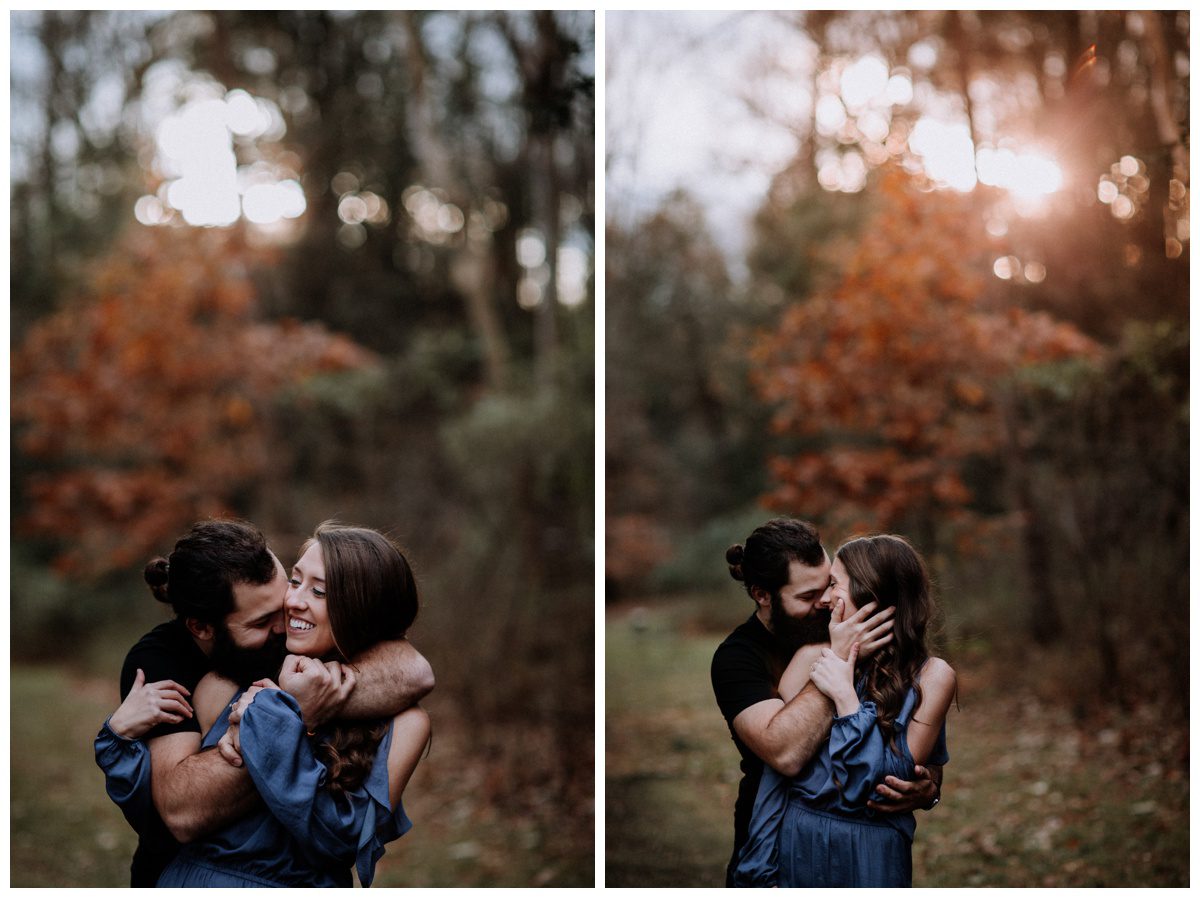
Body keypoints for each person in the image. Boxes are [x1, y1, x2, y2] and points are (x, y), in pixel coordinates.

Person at [93, 519, 434, 885]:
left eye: (316, 590)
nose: (290, 607)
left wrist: (278, 715)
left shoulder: (404, 723)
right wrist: (292, 713)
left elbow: (417, 672)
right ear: (202, 628)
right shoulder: (202, 675)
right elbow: (176, 811)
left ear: (362, 608)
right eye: (297, 582)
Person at [711, 518, 941, 887]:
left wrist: (928, 786)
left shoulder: (843, 622)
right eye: (806, 596)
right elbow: (785, 753)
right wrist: (836, 659)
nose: (825, 602)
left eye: (829, 584)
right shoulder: (738, 658)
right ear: (762, 594)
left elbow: (909, 739)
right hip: (780, 836)